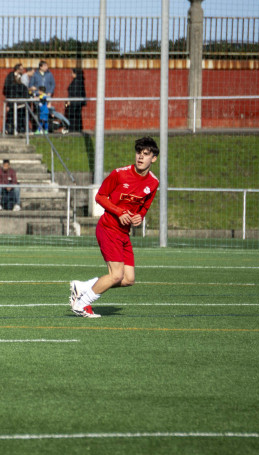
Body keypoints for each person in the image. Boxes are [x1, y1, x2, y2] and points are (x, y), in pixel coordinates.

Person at [69, 137, 160, 319]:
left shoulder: (153, 183)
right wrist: (119, 212)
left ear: (154, 158)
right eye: (138, 153)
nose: (140, 157)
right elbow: (100, 196)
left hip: (124, 233)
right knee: (116, 275)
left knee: (128, 279)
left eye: (146, 154)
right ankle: (82, 304)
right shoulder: (119, 174)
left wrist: (139, 217)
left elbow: (144, 207)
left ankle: (84, 287)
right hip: (108, 228)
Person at [2, 63, 27, 134]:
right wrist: (9, 103)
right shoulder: (10, 77)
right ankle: (8, 129)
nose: (22, 70)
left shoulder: (22, 77)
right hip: (12, 100)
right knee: (10, 116)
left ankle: (19, 129)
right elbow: (7, 89)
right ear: (17, 69)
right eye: (21, 69)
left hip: (20, 100)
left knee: (20, 116)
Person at [65, 68, 86, 133]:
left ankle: (72, 128)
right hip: (78, 101)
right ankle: (77, 128)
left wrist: (69, 101)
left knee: (73, 114)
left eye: (72, 73)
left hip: (74, 101)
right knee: (77, 114)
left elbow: (74, 92)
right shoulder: (80, 81)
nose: (71, 74)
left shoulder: (76, 82)